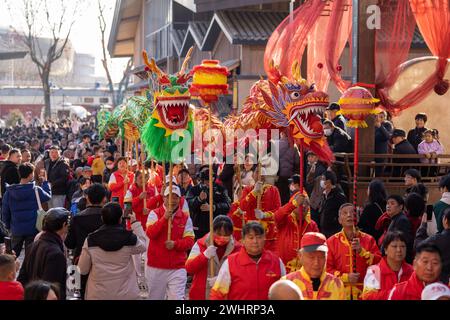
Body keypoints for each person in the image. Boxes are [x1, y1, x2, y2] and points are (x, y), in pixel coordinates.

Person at [78, 202, 146, 300]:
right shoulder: (129, 238)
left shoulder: (90, 240)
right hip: (126, 293)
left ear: (102, 219)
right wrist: (135, 223)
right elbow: (143, 246)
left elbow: (83, 269)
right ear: (120, 219)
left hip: (98, 293)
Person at [210, 222, 286, 300]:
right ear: (243, 240)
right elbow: (217, 294)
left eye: (259, 237)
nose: (255, 241)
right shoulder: (230, 263)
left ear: (264, 239)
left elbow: (285, 291)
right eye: (251, 237)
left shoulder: (276, 261)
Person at [146, 185, 195, 300]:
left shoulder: (185, 218)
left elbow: (190, 241)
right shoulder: (154, 214)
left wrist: (175, 244)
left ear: (180, 199)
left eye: (175, 197)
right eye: (169, 197)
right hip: (156, 267)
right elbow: (150, 233)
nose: (172, 201)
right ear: (163, 198)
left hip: (177, 268)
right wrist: (164, 219)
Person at [326, 203, 381, 300]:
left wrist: (362, 252)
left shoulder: (368, 239)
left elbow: (378, 265)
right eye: (345, 213)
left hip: (364, 292)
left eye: (353, 213)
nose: (349, 215)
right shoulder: (331, 242)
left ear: (358, 218)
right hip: (339, 292)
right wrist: (346, 278)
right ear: (339, 220)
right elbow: (327, 269)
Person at [17, 208, 69, 300]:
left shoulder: (33, 245)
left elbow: (22, 278)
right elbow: (51, 290)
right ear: (64, 225)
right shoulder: (56, 254)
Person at [186, 215, 241, 300]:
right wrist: (204, 256)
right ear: (212, 231)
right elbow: (189, 268)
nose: (222, 237)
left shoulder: (238, 248)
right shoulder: (201, 244)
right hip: (201, 295)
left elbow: (241, 275)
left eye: (226, 234)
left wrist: (222, 281)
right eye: (219, 234)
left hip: (226, 295)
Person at [1, 163, 51, 257]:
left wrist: (7, 226)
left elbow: (5, 212)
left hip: (16, 228)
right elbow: (47, 196)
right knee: (31, 255)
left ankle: (9, 270)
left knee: (12, 254)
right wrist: (45, 183)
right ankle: (27, 271)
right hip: (33, 228)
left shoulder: (9, 192)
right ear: (31, 175)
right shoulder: (36, 190)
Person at [283, 232, 345, 300]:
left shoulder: (336, 284)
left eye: (321, 256)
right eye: (311, 257)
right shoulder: (287, 283)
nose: (316, 263)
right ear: (300, 256)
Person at [238, 168, 281, 251]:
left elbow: (278, 212)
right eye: (257, 172)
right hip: (252, 232)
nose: (259, 175)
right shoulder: (247, 189)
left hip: (269, 236)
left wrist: (264, 215)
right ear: (253, 175)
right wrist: (254, 192)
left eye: (262, 174)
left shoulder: (274, 190)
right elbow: (242, 207)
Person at [275, 192, 319, 273]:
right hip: (283, 271)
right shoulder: (285, 220)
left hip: (305, 272)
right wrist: (294, 203)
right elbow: (277, 216)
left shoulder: (312, 225)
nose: (304, 206)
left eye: (306, 204)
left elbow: (317, 248)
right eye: (301, 203)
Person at [362, 231, 413, 300]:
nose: (399, 250)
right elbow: (368, 296)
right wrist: (395, 293)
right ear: (386, 250)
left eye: (403, 246)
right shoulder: (374, 271)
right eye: (394, 246)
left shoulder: (411, 271)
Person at [186, 167, 231, 240]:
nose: (208, 182)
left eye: (211, 179)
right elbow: (188, 204)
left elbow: (228, 205)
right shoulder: (194, 190)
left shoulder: (221, 189)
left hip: (216, 225)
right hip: (199, 227)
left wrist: (213, 207)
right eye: (206, 180)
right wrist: (199, 199)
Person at [415, 207, 450, 284]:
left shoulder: (437, 239)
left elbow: (418, 246)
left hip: (438, 282)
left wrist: (423, 225)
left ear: (446, 220)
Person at [378, 195, 413, 263]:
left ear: (400, 207)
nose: (388, 206)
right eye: (387, 203)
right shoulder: (395, 218)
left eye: (392, 203)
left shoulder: (402, 220)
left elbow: (402, 242)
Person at [318, 171, 347, 238]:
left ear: (328, 181)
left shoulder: (339, 196)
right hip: (324, 230)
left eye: (323, 179)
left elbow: (343, 213)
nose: (321, 181)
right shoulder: (324, 194)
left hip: (334, 231)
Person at [276, 131, 300, 205]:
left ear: (282, 134)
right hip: (289, 176)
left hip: (278, 175)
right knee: (288, 195)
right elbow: (297, 161)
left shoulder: (276, 144)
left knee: (279, 195)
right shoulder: (294, 146)